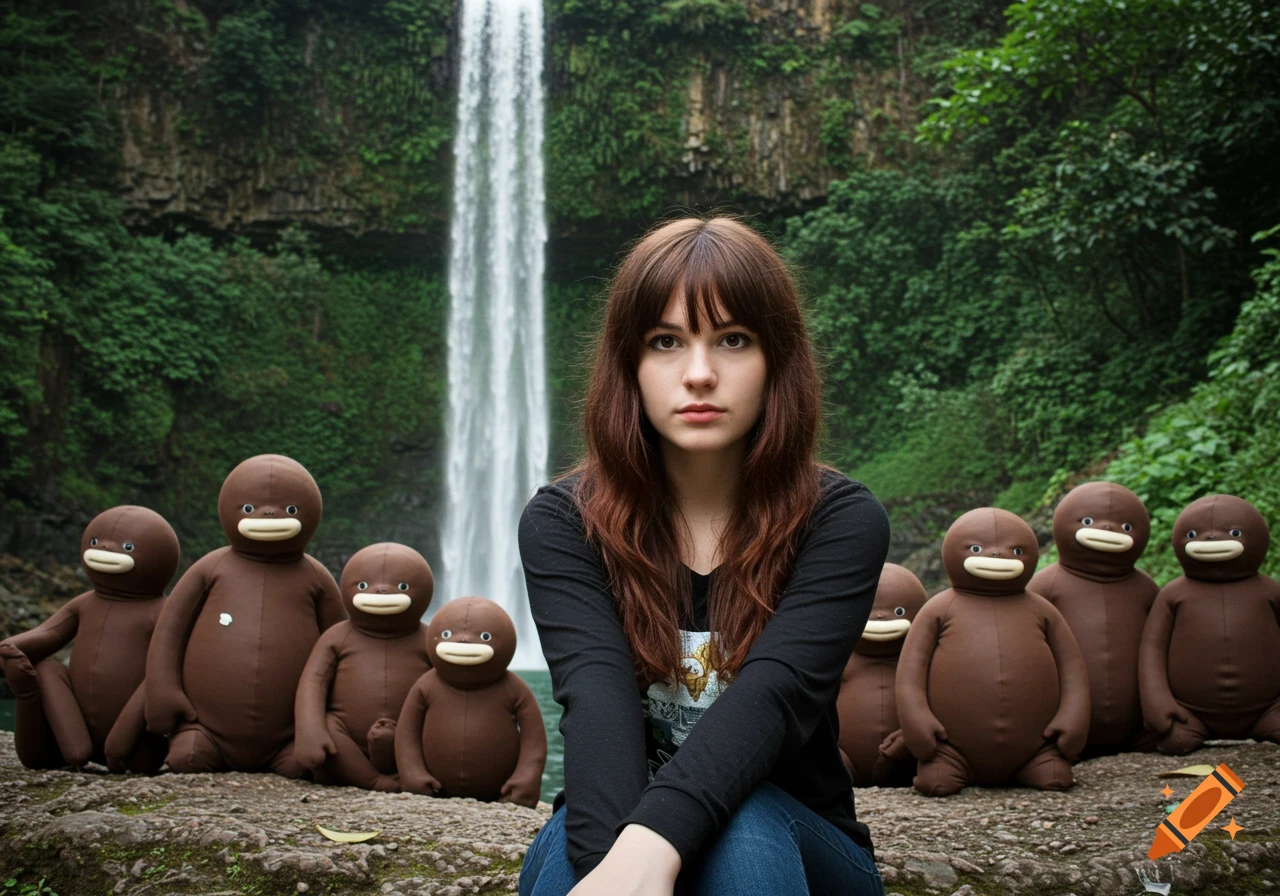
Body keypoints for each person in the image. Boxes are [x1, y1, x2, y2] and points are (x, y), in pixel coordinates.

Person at [517, 217, 891, 896]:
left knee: (744, 832)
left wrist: (658, 847)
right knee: (579, 865)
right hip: (612, 815)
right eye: (665, 341)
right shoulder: (562, 522)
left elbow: (773, 698)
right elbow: (596, 703)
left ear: (778, 359)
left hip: (800, 837)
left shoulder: (840, 521)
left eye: (733, 340)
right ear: (627, 363)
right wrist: (624, 864)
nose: (698, 374)